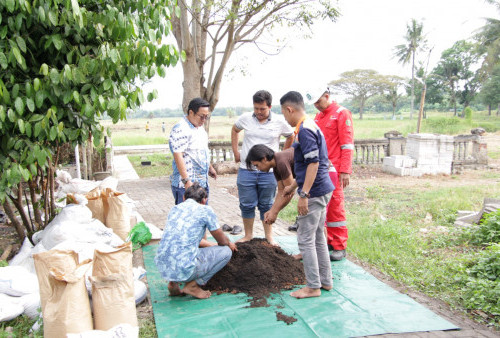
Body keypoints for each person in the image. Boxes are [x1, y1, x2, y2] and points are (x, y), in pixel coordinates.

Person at [279, 91, 334, 299]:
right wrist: (292, 186)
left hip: (315, 191)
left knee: (305, 239)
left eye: (285, 115)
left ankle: (313, 286)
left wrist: (303, 194)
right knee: (318, 237)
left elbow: (313, 163)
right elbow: (305, 163)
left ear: (289, 109)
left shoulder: (304, 130)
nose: (286, 119)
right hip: (322, 188)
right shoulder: (310, 124)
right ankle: (326, 282)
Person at [231, 90, 294, 244]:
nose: (259, 112)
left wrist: (283, 154)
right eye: (256, 108)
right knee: (246, 203)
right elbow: (235, 129)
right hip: (247, 171)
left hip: (269, 172)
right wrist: (236, 152)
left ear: (270, 107)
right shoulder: (245, 118)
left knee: (266, 204)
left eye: (262, 109)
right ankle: (248, 235)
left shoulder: (279, 121)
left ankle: (269, 236)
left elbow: (291, 135)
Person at [155, 183, 237, 299]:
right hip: (185, 267)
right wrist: (229, 244)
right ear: (204, 200)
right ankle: (193, 286)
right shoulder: (205, 210)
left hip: (163, 266)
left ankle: (173, 283)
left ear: (184, 198)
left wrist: (211, 245)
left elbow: (182, 239)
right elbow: (222, 241)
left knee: (179, 248)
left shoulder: (175, 209)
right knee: (225, 252)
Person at [306, 86, 354, 261]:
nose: (317, 106)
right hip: (321, 169)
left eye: (319, 101)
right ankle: (326, 240)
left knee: (335, 206)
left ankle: (340, 245)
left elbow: (347, 144)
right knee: (322, 207)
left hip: (335, 170)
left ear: (327, 96)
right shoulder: (319, 116)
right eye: (314, 103)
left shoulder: (342, 114)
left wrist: (345, 170)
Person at [169, 98, 218, 205]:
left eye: (206, 117)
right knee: (187, 218)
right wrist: (186, 181)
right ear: (191, 112)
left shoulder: (200, 128)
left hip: (201, 184)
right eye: (201, 116)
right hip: (187, 186)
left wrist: (209, 167)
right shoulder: (181, 128)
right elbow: (178, 155)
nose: (204, 120)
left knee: (201, 217)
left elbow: (201, 150)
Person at [245, 145, 296, 227]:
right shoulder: (276, 164)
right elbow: (281, 191)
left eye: (257, 165)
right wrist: (272, 211)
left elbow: (290, 191)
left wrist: (275, 212)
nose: (258, 169)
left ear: (264, 159)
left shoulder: (281, 162)